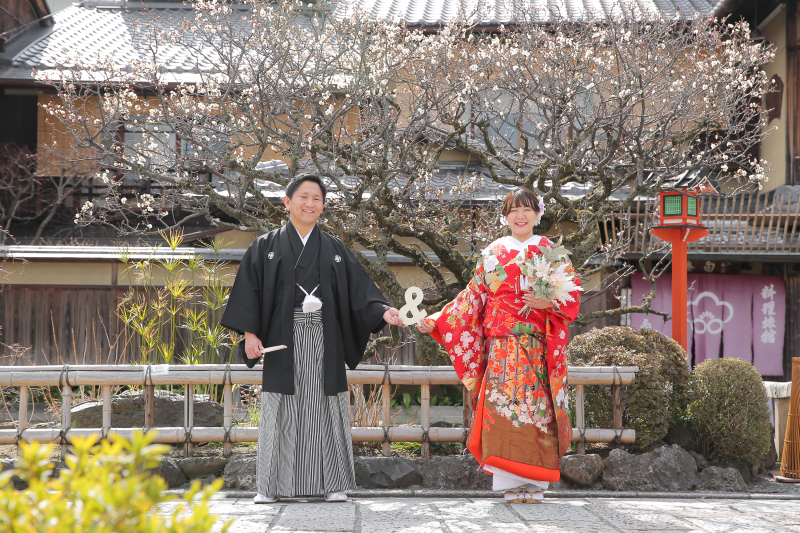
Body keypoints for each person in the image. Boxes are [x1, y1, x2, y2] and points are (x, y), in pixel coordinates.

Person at [220, 173, 406, 503]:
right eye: (303, 197)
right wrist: (250, 333)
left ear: (323, 206)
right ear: (287, 202)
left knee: (327, 405)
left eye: (317, 199)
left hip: (325, 335)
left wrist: (382, 311)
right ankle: (270, 486)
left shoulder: (334, 248)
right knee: (281, 409)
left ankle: (332, 484)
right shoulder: (266, 246)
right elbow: (250, 291)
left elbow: (359, 291)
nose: (310, 204)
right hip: (282, 336)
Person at [417, 188, 580, 504]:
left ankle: (536, 484)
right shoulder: (492, 252)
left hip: (537, 346)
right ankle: (509, 483)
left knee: (538, 412)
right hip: (502, 347)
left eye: (527, 209)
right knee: (503, 413)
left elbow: (571, 296)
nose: (520, 216)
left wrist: (548, 302)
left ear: (537, 214)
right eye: (513, 210)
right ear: (505, 217)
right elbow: (472, 297)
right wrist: (437, 319)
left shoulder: (551, 251)